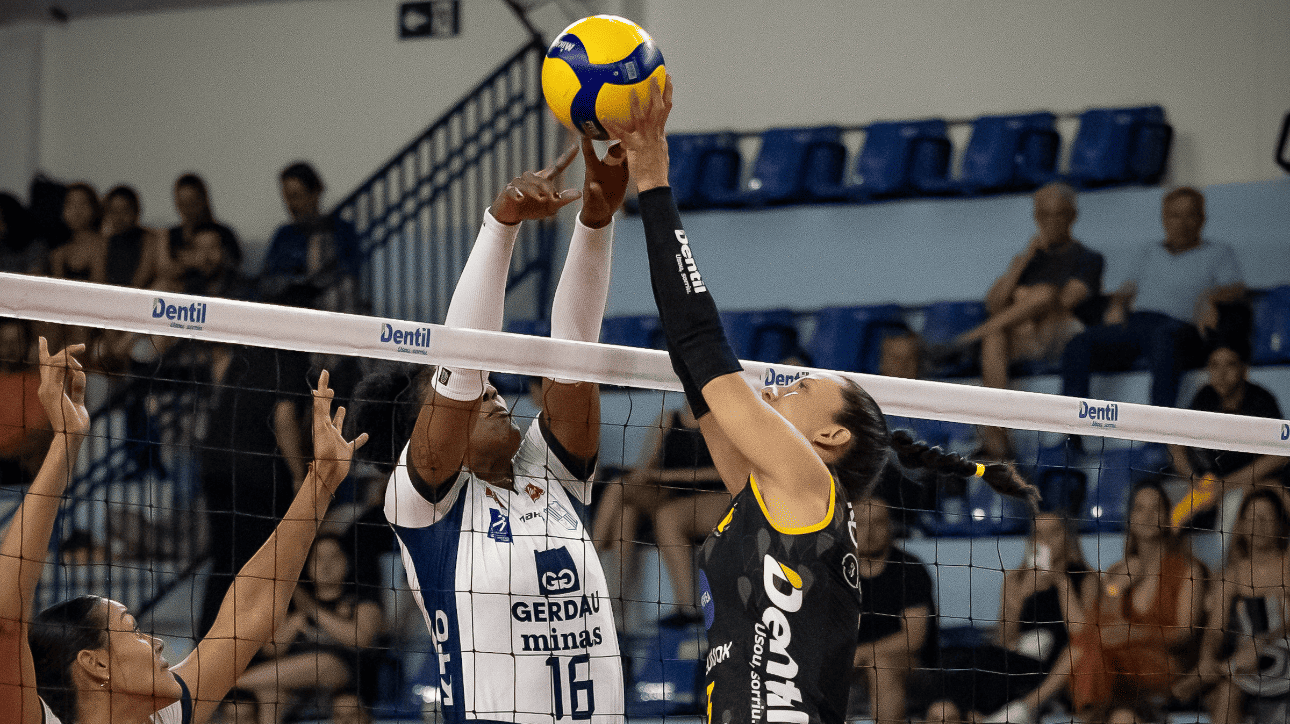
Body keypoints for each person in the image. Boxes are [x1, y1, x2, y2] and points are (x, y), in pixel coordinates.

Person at [604, 76, 1036, 724]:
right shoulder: (773, 495)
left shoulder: (807, 484)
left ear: (830, 440)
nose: (780, 382)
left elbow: (698, 337)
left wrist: (654, 183)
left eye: (800, 387)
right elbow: (689, 350)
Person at [383, 137, 630, 723]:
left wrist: (596, 218)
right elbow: (465, 365)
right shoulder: (421, 506)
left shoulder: (550, 471)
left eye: (494, 388)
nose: (493, 393)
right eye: (473, 396)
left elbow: (574, 353)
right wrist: (502, 222)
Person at [0, 340, 367, 724]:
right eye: (134, 631)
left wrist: (321, 481)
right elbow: (8, 619)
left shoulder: (165, 715)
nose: (157, 642)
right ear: (96, 664)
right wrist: (65, 440)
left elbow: (251, 611)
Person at [1061, 187, 1244, 408]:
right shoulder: (1148, 251)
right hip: (1140, 323)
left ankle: (1158, 433)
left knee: (1163, 338)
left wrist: (1210, 297)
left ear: (1202, 218)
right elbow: (1128, 288)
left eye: (1190, 215)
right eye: (1175, 215)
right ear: (1164, 219)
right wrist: (1118, 304)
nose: (1182, 222)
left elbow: (1237, 289)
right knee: (1078, 343)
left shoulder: (1218, 252)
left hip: (1182, 329)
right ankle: (1071, 435)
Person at [956, 184, 1103, 459]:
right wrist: (1022, 264)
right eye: (1044, 215)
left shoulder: (1088, 258)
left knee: (1043, 293)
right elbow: (994, 304)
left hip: (1064, 335)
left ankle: (965, 340)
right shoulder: (1028, 260)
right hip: (1026, 337)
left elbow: (1065, 302)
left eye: (1058, 214)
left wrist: (1027, 297)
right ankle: (998, 442)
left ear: (1072, 216)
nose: (1051, 222)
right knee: (995, 336)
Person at [1068, 482, 1208, 719]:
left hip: (1164, 667)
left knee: (1084, 652)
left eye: (1155, 508)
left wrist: (1135, 632)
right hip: (1115, 666)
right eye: (1139, 508)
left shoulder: (1188, 570)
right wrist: (1117, 588)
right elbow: (1101, 625)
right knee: (1090, 648)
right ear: (1131, 517)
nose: (1147, 515)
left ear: (1167, 516)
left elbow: (1185, 634)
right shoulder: (1117, 570)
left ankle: (1066, 711)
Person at [590, 401, 725, 625]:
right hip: (669, 492)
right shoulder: (668, 418)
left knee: (660, 513)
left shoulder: (719, 419)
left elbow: (720, 472)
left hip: (709, 494)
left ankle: (586, 560)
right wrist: (642, 476)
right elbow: (648, 466)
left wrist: (667, 477)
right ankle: (613, 598)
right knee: (623, 501)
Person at [235, 534, 383, 724]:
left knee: (322, 662)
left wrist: (312, 610)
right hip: (299, 686)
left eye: (334, 557)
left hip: (348, 679)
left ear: (347, 563)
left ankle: (228, 684)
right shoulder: (293, 607)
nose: (326, 565)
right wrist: (293, 623)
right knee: (270, 694)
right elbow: (270, 651)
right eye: (318, 558)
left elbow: (361, 639)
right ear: (308, 566)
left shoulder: (362, 600)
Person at [1167, 343, 1288, 532]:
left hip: (1251, 483)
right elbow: (1176, 442)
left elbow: (1282, 454)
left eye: (1230, 364)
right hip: (1208, 483)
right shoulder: (1205, 396)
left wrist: (1226, 485)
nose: (1221, 374)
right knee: (1166, 515)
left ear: (1244, 369)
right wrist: (1193, 478)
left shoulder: (1261, 401)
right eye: (1214, 365)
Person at [1197, 490, 1290, 724]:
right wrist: (1207, 656)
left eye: (1266, 518)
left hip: (1285, 655)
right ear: (1240, 524)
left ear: (1280, 523)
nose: (1258, 525)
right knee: (1227, 692)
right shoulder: (1232, 575)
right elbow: (1215, 630)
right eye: (1251, 518)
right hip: (1245, 664)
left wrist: (1266, 641)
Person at [852, 496, 938, 724]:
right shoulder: (837, 572)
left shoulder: (909, 570)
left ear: (891, 526)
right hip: (854, 666)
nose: (869, 531)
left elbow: (913, 639)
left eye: (878, 522)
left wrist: (862, 653)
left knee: (880, 664)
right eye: (861, 523)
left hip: (911, 668)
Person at [260, 162, 362, 312]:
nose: (291, 205)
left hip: (328, 308)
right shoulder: (284, 234)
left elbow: (348, 271)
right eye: (287, 198)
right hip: (289, 308)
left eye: (297, 196)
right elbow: (268, 276)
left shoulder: (340, 230)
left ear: (315, 192)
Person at [0, 318, 49, 485]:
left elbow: (38, 436)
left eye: (16, 341)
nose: (10, 348)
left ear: (28, 344)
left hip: (18, 469)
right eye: (4, 342)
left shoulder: (39, 384)